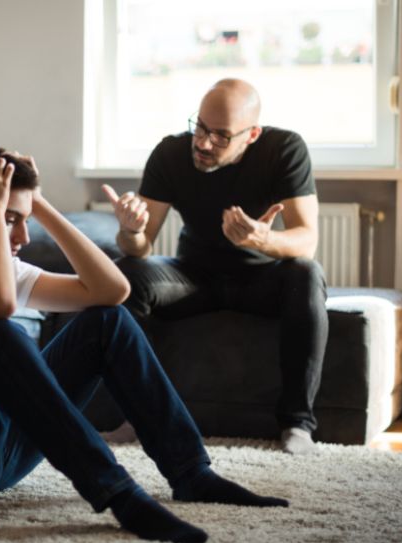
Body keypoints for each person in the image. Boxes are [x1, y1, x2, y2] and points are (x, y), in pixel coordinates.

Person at [0, 143, 289, 543]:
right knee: (3, 335)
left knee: (107, 322)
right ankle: (120, 495)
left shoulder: (2, 269)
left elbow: (112, 290)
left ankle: (192, 473)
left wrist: (37, 203)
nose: (22, 237)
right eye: (11, 219)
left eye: (23, 220)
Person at [104, 78, 327, 456]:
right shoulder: (171, 153)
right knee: (126, 273)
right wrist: (130, 230)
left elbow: (307, 239)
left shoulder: (284, 149)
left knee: (306, 274)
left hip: (261, 278)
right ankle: (138, 416)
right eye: (201, 128)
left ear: (252, 134)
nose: (204, 143)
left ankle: (296, 423)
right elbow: (139, 249)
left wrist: (262, 240)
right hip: (194, 278)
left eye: (221, 136)